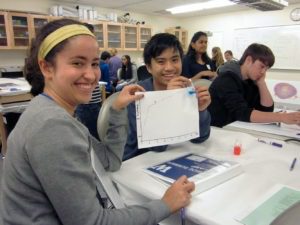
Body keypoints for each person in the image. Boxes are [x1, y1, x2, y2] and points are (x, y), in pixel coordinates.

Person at [1, 19, 195, 225]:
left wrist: (118, 109)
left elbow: (110, 161)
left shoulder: (57, 112)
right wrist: (165, 205)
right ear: (46, 68)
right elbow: (93, 222)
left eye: (94, 63)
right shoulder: (52, 125)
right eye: (77, 63)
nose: (91, 74)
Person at [124, 33, 211, 160]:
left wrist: (201, 110)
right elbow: (156, 147)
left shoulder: (185, 89)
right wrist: (169, 100)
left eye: (175, 60)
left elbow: (200, 138)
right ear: (149, 67)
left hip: (174, 156)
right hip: (138, 160)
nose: (169, 68)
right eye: (161, 61)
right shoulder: (138, 94)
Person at [208, 43, 300, 127]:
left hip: (238, 128)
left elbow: (266, 110)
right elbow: (242, 113)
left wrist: (261, 83)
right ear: (248, 60)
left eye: (266, 69)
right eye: (262, 66)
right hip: (217, 130)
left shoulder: (251, 80)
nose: (263, 72)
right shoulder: (226, 79)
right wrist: (281, 117)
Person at [75, 23, 102, 140]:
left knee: (94, 135)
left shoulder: (90, 52)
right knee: (91, 137)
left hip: (93, 102)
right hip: (87, 104)